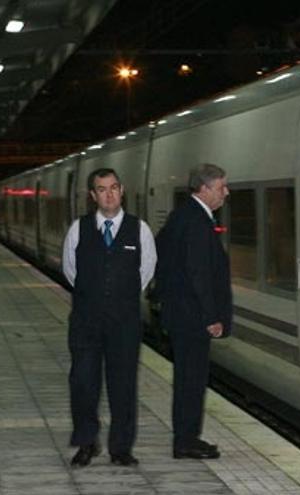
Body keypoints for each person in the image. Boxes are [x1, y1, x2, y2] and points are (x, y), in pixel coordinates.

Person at [61, 168, 157, 467]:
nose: (109, 194)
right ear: (93, 196)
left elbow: (146, 271)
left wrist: (117, 296)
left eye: (114, 187)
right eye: (102, 189)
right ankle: (87, 443)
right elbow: (70, 270)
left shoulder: (139, 230)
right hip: (86, 322)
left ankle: (121, 448)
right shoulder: (78, 229)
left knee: (123, 385)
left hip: (124, 323)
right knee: (83, 383)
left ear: (122, 190)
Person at [155, 163, 232, 460]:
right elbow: (198, 273)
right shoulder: (197, 221)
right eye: (221, 186)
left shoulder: (183, 215)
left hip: (182, 313)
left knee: (189, 378)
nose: (226, 192)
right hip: (192, 318)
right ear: (204, 188)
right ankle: (186, 441)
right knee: (192, 380)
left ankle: (186, 437)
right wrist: (211, 316)